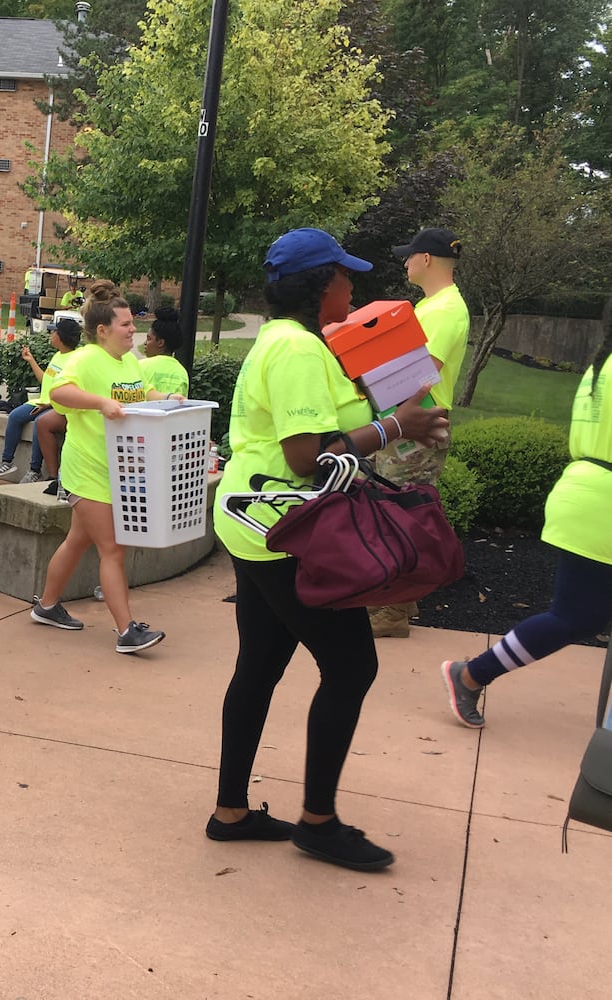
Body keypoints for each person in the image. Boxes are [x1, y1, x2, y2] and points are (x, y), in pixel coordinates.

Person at [208, 228, 449, 871]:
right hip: (285, 529)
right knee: (351, 668)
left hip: (258, 522)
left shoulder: (292, 342)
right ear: (321, 285)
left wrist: (399, 399)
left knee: (259, 665)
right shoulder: (294, 350)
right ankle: (318, 823)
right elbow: (308, 457)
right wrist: (400, 426)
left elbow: (326, 427)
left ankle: (230, 813)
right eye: (344, 277)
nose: (352, 287)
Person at [440, 297, 612, 730]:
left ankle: (473, 673)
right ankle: (471, 673)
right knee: (574, 616)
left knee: (578, 615)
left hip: (586, 493)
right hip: (601, 506)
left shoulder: (602, 366)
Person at [29, 283, 170, 654]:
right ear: (103, 330)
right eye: (125, 325)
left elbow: (141, 394)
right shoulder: (84, 359)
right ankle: (127, 631)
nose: (133, 330)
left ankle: (46, 606)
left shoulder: (129, 362)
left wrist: (168, 399)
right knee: (112, 549)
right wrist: (99, 403)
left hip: (117, 471)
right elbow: (58, 393)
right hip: (87, 471)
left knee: (78, 541)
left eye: (133, 324)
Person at [369, 227, 471, 638]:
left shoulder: (444, 310)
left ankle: (390, 614)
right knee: (399, 510)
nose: (406, 261)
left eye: (410, 256)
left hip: (417, 425)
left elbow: (419, 375)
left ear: (427, 259)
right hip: (409, 422)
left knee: (397, 515)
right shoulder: (434, 306)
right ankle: (399, 601)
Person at [0, 316, 83, 483]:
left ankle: (34, 470)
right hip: (42, 402)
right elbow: (46, 380)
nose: (51, 334)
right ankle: (6, 461)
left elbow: (71, 391)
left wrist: (48, 405)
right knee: (15, 416)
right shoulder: (58, 355)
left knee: (40, 423)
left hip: (56, 407)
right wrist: (31, 360)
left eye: (54, 332)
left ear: (61, 337)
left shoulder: (75, 360)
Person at [139, 305, 190, 397]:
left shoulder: (140, 366)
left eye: (149, 339)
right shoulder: (181, 372)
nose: (145, 343)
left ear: (160, 343)